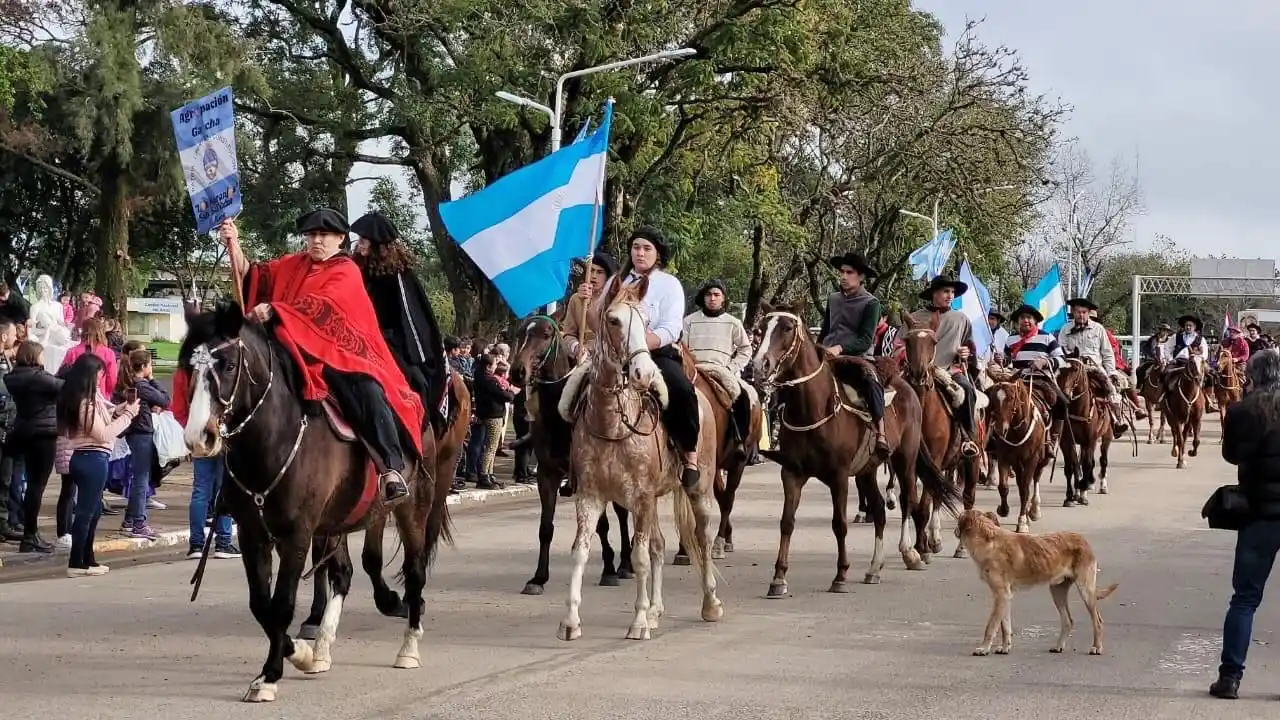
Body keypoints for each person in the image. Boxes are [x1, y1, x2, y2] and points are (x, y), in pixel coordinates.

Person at [220, 211, 423, 505]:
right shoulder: (293, 264)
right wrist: (234, 244)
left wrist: (276, 309)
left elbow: (323, 307)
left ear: (340, 238)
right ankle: (236, 473)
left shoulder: (346, 270)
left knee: (366, 390)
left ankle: (391, 467)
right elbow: (254, 275)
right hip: (288, 346)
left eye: (324, 235)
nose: (316, 240)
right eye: (311, 235)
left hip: (340, 353)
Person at [1210, 348, 1280, 699]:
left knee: (1245, 599)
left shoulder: (1241, 411)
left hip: (1259, 513)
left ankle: (1230, 678)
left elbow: (1230, 455)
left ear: (1252, 375)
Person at [615, 225, 700, 488]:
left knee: (681, 390)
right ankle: (571, 460)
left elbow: (672, 328)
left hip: (655, 354)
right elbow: (600, 317)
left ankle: (689, 454)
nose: (639, 253)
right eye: (635, 247)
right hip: (615, 355)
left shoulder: (669, 284)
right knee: (573, 387)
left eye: (646, 248)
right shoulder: (617, 282)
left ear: (658, 254)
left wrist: (639, 345)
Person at [350, 212, 448, 435]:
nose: (358, 244)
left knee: (414, 380)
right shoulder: (356, 268)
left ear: (377, 245)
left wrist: (386, 339)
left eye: (363, 240)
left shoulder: (398, 275)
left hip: (393, 339)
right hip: (358, 335)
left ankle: (418, 431)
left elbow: (411, 319)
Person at [57, 352, 138, 577]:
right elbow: (102, 433)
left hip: (92, 458)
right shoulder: (84, 403)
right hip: (91, 458)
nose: (102, 379)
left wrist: (119, 410)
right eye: (100, 375)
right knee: (86, 512)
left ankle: (87, 558)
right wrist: (128, 415)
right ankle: (76, 562)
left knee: (94, 511)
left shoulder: (90, 399)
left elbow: (104, 415)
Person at [818, 252, 889, 458]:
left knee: (870, 382)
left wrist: (840, 348)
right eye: (842, 272)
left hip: (856, 357)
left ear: (861, 276)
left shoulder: (871, 303)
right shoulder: (833, 299)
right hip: (827, 355)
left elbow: (865, 340)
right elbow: (825, 330)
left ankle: (881, 432)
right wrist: (817, 348)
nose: (843, 276)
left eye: (849, 272)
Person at [905, 275, 980, 457]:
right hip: (916, 371)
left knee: (968, 390)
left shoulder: (961, 319)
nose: (950, 296)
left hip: (949, 371)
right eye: (946, 291)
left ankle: (968, 437)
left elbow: (969, 347)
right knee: (891, 392)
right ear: (934, 293)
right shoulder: (914, 317)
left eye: (952, 292)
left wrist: (966, 353)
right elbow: (899, 345)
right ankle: (885, 436)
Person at [5, 340, 63, 552]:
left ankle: (27, 530)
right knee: (37, 485)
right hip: (43, 433)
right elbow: (63, 386)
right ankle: (31, 534)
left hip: (23, 429)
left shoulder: (13, 376)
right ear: (34, 356)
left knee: (27, 482)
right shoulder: (39, 378)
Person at [683, 278, 754, 446]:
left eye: (716, 294)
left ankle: (739, 441)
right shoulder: (689, 321)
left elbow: (746, 349)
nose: (712, 298)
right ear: (703, 297)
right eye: (708, 294)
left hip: (722, 371)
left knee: (743, 397)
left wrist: (731, 367)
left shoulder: (733, 323)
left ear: (723, 298)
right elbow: (682, 347)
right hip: (695, 370)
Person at [112, 347, 170, 540]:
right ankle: (138, 522)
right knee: (141, 480)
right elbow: (164, 399)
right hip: (142, 433)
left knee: (139, 477)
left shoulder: (129, 384)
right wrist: (152, 379)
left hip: (134, 433)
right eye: (150, 365)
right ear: (145, 366)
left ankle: (129, 521)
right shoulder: (142, 385)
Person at [1002, 305, 1069, 459]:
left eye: (1029, 318)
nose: (1025, 320)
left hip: (1041, 379)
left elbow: (1061, 359)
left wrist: (1044, 362)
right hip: (1017, 380)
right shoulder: (1011, 339)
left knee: (1062, 403)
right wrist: (1002, 360)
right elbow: (1007, 360)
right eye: (1022, 318)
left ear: (1035, 321)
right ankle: (994, 439)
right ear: (1018, 321)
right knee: (997, 401)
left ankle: (1052, 439)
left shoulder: (1047, 337)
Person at [1057, 298, 1131, 436]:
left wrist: (1111, 372)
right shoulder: (1065, 329)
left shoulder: (1098, 329)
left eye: (1084, 312)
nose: (1081, 315)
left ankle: (1116, 421)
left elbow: (1107, 353)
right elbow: (1060, 351)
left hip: (1094, 368)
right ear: (1073, 312)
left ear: (1088, 313)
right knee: (1059, 391)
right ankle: (1055, 426)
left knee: (1111, 390)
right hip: (1073, 368)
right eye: (1078, 312)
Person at [562, 251, 619, 361]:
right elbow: (568, 333)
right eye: (591, 270)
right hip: (578, 358)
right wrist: (576, 347)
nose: (593, 276)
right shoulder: (576, 299)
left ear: (608, 276)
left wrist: (589, 349)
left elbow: (609, 336)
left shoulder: (615, 300)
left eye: (599, 272)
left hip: (607, 359)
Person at [60, 317, 117, 399]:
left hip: (76, 397)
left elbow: (64, 375)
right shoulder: (109, 353)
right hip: (100, 396)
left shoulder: (72, 352)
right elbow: (112, 380)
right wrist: (106, 394)